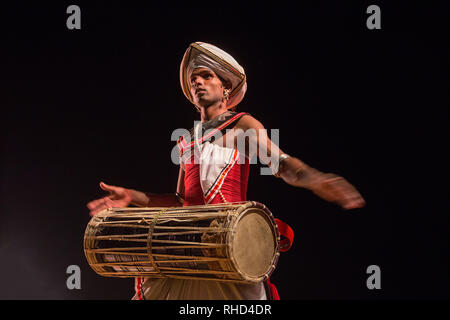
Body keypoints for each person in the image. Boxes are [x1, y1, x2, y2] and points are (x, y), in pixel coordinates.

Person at [87, 42, 366, 300]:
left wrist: (316, 179)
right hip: (187, 252)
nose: (197, 81)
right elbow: (180, 201)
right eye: (194, 78)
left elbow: (281, 164)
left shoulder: (242, 125)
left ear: (226, 90)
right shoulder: (186, 141)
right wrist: (130, 195)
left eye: (207, 76)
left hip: (225, 249)